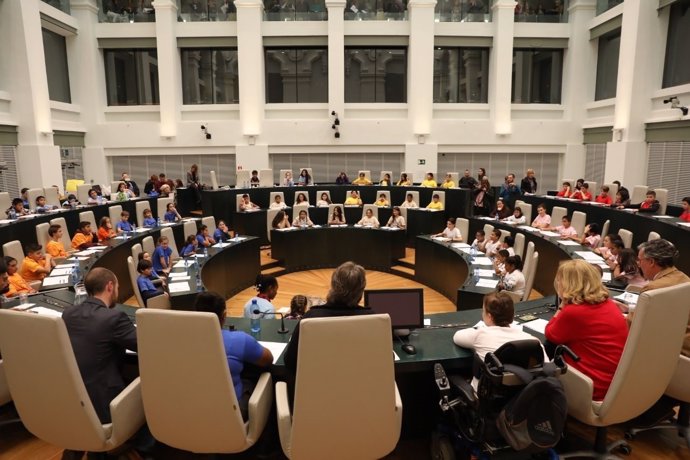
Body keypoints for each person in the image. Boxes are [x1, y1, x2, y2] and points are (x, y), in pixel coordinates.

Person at [62, 268, 138, 424]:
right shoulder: (114, 317)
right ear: (110, 286)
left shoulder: (68, 313)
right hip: (106, 401)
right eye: (117, 287)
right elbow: (144, 345)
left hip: (74, 398)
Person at [545, 260, 628, 401]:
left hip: (591, 387)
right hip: (614, 384)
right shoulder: (608, 303)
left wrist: (562, 305)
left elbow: (551, 333)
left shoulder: (574, 312)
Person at [194, 291, 273, 420]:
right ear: (224, 315)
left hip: (193, 407)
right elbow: (268, 359)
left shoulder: (181, 340)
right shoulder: (240, 340)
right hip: (231, 414)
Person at [284, 261, 374, 373]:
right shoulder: (374, 319)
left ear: (333, 287)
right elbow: (387, 359)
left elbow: (290, 362)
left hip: (316, 389)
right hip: (363, 388)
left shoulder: (310, 318)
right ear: (360, 293)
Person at [453, 293, 545, 388]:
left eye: (483, 311)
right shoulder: (534, 342)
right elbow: (546, 368)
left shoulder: (481, 335)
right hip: (522, 399)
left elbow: (457, 336)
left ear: (490, 317)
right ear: (512, 315)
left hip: (486, 398)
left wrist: (479, 329)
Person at [635, 239, 690, 356]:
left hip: (674, 352)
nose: (638, 264)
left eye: (640, 260)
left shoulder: (653, 288)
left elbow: (633, 324)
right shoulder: (684, 278)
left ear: (651, 262)